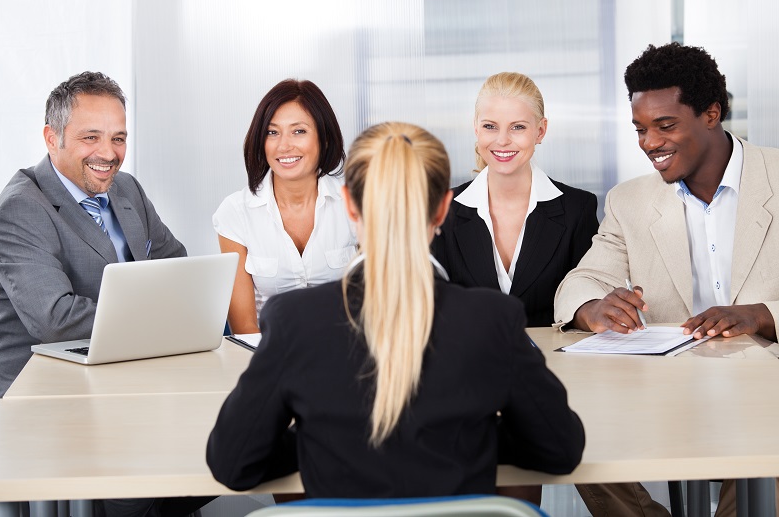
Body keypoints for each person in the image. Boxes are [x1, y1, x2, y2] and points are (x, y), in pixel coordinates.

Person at [206, 122, 585, 497]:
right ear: (443, 210)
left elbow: (234, 463)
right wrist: (473, 438)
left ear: (351, 207)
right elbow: (559, 449)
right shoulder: (493, 319)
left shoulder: (294, 321)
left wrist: (318, 442)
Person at [554, 42, 779, 516]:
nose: (649, 142)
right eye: (640, 128)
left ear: (712, 113)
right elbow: (584, 278)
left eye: (666, 125)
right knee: (562, 431)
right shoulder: (628, 201)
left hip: (768, 393)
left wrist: (761, 316)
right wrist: (590, 307)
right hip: (669, 394)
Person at [0, 72, 193, 517]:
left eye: (118, 138)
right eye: (90, 137)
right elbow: (55, 319)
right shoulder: (22, 208)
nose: (108, 153)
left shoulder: (127, 190)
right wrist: (161, 322)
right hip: (38, 400)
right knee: (139, 488)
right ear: (51, 137)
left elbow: (177, 267)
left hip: (123, 388)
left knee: (225, 447)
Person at [433, 72, 598, 329]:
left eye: (518, 127)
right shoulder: (442, 210)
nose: (502, 140)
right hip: (467, 365)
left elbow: (586, 298)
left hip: (555, 365)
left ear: (540, 130)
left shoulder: (577, 209)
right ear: (476, 128)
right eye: (490, 126)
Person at [213, 79, 357, 334]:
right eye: (272, 132)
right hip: (270, 359)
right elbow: (245, 327)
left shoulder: (357, 203)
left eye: (298, 131)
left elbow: (377, 305)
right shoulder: (235, 213)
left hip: (347, 356)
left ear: (324, 138)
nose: (284, 145)